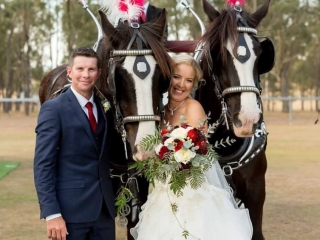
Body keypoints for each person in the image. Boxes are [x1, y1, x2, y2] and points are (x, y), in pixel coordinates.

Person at [130, 54, 253, 239]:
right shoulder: (160, 111)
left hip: (190, 191)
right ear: (167, 77)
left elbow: (195, 155)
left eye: (188, 80)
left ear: (193, 84)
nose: (181, 85)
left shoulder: (193, 108)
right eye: (177, 77)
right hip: (163, 192)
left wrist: (162, 155)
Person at [34, 47, 115, 240]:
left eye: (91, 69)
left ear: (99, 73)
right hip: (69, 213)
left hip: (104, 213)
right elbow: (43, 165)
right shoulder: (53, 109)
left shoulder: (106, 109)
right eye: (80, 69)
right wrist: (52, 214)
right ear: (69, 72)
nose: (85, 75)